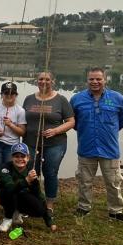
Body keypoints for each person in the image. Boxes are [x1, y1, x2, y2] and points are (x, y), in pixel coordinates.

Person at [71, 67, 123, 221]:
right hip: (86, 147)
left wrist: (109, 131)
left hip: (109, 148)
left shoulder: (118, 98)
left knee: (113, 182)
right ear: (87, 80)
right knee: (84, 181)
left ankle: (115, 211)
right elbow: (73, 122)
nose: (95, 82)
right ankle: (84, 207)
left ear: (105, 79)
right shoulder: (77, 99)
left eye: (98, 79)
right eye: (91, 79)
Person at [22, 71, 75, 214]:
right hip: (31, 143)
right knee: (32, 172)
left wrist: (55, 130)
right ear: (36, 81)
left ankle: (50, 203)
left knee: (50, 172)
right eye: (40, 79)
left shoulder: (61, 100)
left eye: (47, 79)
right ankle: (33, 201)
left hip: (55, 144)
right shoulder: (29, 99)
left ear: (53, 81)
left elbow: (71, 122)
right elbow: (23, 120)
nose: (43, 82)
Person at [0, 143, 56, 233]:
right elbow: (10, 188)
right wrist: (26, 180)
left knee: (39, 210)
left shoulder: (31, 172)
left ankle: (17, 211)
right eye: (16, 156)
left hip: (21, 195)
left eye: (23, 156)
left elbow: (39, 194)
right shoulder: (5, 168)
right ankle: (8, 218)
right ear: (12, 158)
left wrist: (49, 221)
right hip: (4, 195)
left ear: (28, 158)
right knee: (10, 192)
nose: (20, 159)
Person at [0, 81, 27, 180]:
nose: (9, 96)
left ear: (16, 95)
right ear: (1, 95)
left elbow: (22, 132)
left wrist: (10, 125)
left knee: (8, 171)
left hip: (11, 145)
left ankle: (7, 193)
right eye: (6, 93)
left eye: (12, 93)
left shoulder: (20, 111)